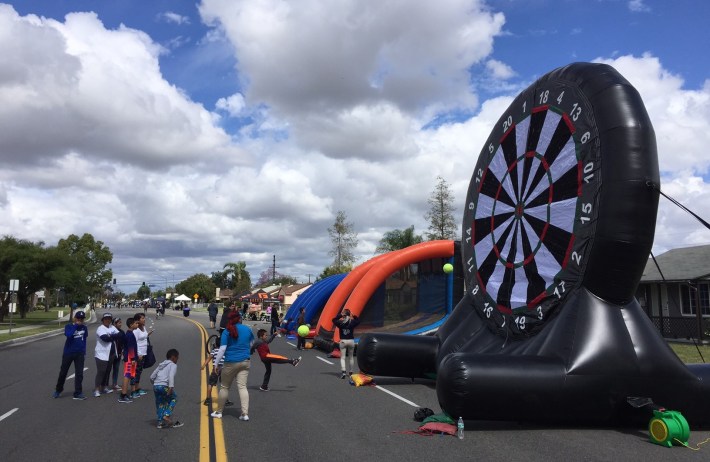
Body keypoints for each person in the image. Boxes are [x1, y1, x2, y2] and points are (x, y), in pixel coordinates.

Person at [210, 311, 254, 421]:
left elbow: (222, 349)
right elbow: (251, 344)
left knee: (225, 387)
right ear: (239, 319)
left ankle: (219, 411)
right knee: (242, 387)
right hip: (245, 361)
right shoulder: (247, 329)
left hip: (230, 362)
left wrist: (216, 363)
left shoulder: (226, 331)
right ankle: (244, 414)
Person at [53, 310, 89, 400]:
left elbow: (84, 340)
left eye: (82, 319)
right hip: (68, 353)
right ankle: (58, 389)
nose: (80, 320)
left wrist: (83, 351)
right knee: (63, 372)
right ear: (75, 318)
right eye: (78, 318)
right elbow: (68, 335)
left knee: (79, 374)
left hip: (79, 353)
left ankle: (78, 392)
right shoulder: (69, 326)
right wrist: (76, 325)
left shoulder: (84, 328)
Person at [150, 348, 183, 429]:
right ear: (173, 357)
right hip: (164, 386)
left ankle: (160, 423)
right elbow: (171, 376)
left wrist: (155, 384)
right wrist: (170, 387)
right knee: (174, 398)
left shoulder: (161, 364)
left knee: (160, 403)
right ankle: (167, 415)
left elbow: (152, 376)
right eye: (177, 358)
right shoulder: (173, 365)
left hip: (156, 386)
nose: (177, 360)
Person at [94, 312, 120, 397]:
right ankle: (97, 389)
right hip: (101, 353)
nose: (107, 320)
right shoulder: (100, 328)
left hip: (111, 353)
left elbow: (119, 335)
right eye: (106, 319)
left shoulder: (112, 327)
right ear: (103, 320)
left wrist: (112, 336)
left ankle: (104, 387)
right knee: (101, 371)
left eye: (109, 319)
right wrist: (114, 336)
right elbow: (105, 338)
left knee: (108, 371)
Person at [200, 342, 234, 407]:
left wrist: (204, 365)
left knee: (210, 384)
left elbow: (209, 358)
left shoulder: (214, 351)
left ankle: (207, 400)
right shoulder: (225, 351)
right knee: (224, 385)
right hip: (223, 369)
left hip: (215, 369)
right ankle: (226, 400)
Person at [332, 308, 360, 379]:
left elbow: (333, 320)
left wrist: (340, 316)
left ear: (343, 315)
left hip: (343, 341)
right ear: (349, 314)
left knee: (343, 358)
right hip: (351, 341)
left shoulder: (340, 322)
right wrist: (354, 316)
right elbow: (358, 321)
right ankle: (351, 372)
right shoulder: (352, 322)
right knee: (351, 357)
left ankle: (344, 372)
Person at [132, 312, 153, 398]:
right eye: (142, 318)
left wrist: (148, 334)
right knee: (135, 372)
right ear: (137, 320)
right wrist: (137, 354)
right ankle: (133, 391)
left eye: (144, 318)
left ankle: (137, 388)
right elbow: (134, 343)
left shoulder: (143, 327)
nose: (144, 320)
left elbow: (144, 337)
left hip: (144, 353)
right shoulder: (136, 330)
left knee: (139, 372)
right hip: (139, 354)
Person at [110, 317, 126, 391]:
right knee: (107, 370)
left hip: (119, 353)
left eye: (120, 322)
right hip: (110, 354)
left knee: (116, 369)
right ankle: (104, 385)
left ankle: (115, 384)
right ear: (114, 324)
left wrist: (123, 351)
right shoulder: (110, 331)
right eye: (119, 323)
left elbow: (124, 342)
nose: (120, 324)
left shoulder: (122, 332)